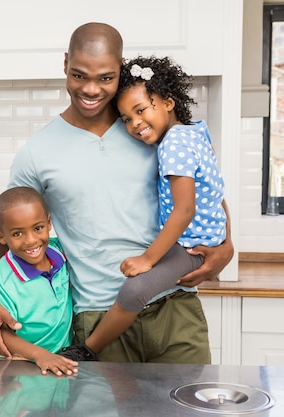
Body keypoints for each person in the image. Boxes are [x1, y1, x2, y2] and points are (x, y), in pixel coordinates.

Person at [0, 22, 234, 363]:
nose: (91, 89)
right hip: (97, 319)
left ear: (120, 69)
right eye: (79, 75)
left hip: (175, 306)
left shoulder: (147, 128)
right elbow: (4, 228)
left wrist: (226, 245)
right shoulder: (37, 152)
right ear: (65, 64)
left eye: (105, 78)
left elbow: (204, 189)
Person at [61, 55, 228, 360]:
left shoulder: (173, 145)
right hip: (200, 239)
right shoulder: (193, 131)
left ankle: (86, 350)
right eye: (126, 118)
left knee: (133, 291)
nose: (135, 123)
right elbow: (215, 187)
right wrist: (224, 238)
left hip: (189, 246)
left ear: (167, 102)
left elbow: (184, 211)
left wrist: (147, 259)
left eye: (140, 110)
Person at [0, 186, 78, 376]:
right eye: (18, 233)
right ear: (1, 236)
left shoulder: (59, 252)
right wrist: (40, 355)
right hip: (18, 365)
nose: (31, 240)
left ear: (49, 223)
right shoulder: (3, 278)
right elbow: (1, 332)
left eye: (38, 228)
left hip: (58, 362)